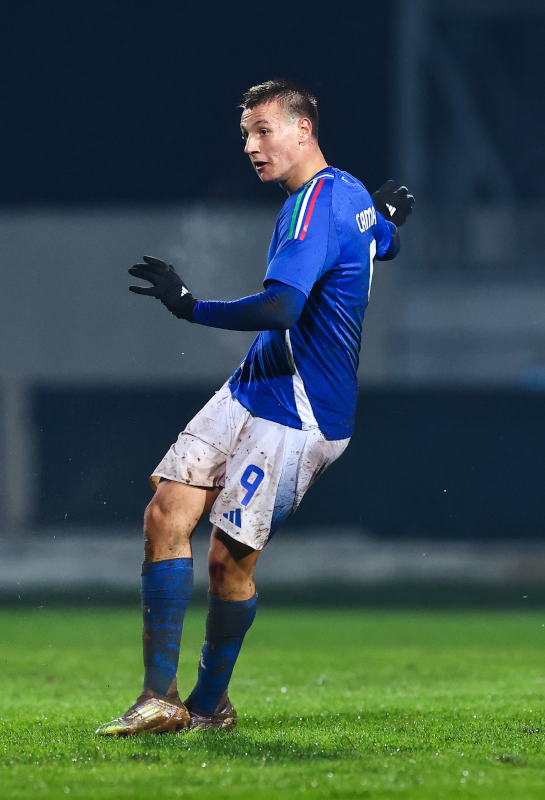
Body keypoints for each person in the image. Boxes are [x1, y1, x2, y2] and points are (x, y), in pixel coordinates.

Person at [95, 80, 415, 736]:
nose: (250, 145)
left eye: (263, 130)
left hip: (301, 412)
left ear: (304, 131)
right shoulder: (350, 193)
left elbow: (282, 307)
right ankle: (159, 699)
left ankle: (210, 706)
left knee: (227, 559)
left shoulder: (312, 209)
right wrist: (385, 217)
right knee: (166, 513)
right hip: (254, 386)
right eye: (245, 133)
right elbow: (385, 242)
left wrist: (189, 305)